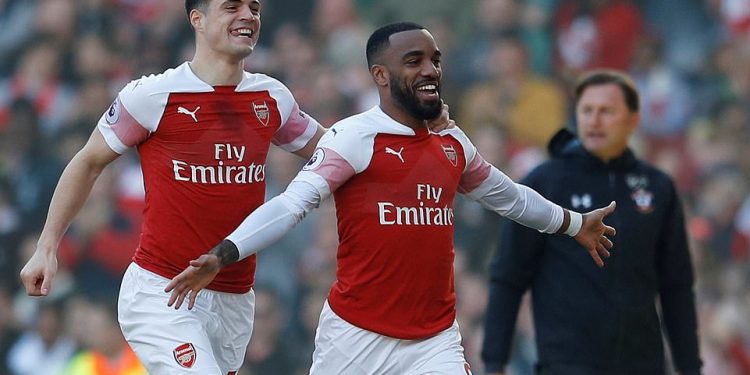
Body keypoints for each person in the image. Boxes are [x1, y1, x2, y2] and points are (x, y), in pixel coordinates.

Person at [165, 22, 617, 374]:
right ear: (380, 75)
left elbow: (510, 197)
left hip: (434, 340)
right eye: (414, 60)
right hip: (354, 339)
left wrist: (574, 224)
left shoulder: (452, 143)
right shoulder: (354, 138)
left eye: (435, 60)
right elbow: (291, 204)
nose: (430, 70)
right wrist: (224, 253)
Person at [18, 1, 329, 373]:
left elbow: (335, 155)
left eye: (255, 8)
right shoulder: (152, 96)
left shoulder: (272, 98)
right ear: (197, 19)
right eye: (231, 7)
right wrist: (47, 246)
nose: (248, 15)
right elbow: (88, 162)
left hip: (235, 295)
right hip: (162, 291)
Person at [481, 70, 702, 375]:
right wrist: (495, 362)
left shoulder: (657, 187)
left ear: (632, 119)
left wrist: (689, 365)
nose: (594, 120)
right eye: (587, 110)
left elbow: (676, 285)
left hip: (643, 364)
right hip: (567, 363)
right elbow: (508, 276)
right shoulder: (543, 185)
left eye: (606, 111)